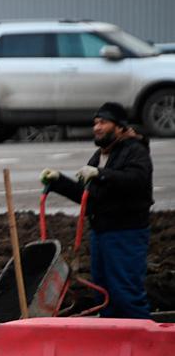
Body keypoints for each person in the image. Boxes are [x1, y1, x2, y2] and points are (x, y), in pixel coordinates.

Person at [40, 101, 153, 319]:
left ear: (119, 127)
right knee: (103, 294)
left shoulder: (134, 151)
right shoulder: (100, 156)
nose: (97, 127)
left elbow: (137, 180)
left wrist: (101, 174)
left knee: (126, 293)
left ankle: (146, 344)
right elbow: (89, 199)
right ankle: (114, 343)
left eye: (103, 122)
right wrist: (58, 182)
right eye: (95, 123)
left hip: (126, 234)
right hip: (101, 234)